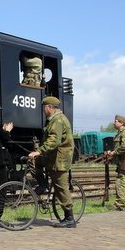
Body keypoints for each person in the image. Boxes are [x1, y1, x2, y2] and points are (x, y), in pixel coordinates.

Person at [28, 96, 76, 228]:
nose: (44, 110)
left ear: (49, 107)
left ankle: (69, 218)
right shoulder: (53, 120)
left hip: (59, 159)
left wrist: (39, 151)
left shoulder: (58, 120)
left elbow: (54, 140)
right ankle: (43, 184)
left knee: (61, 187)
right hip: (51, 156)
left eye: (44, 107)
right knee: (35, 163)